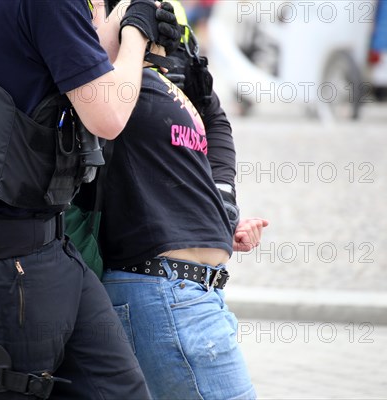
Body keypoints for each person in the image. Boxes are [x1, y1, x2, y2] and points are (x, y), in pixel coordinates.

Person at [0, 0, 180, 399]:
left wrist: (125, 22)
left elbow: (64, 60)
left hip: (39, 247)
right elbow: (108, 115)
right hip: (4, 263)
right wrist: (136, 35)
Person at [87, 1, 269, 398]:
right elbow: (81, 60)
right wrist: (130, 25)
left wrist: (223, 207)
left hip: (194, 295)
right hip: (166, 292)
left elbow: (214, 122)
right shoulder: (111, 74)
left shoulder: (163, 61)